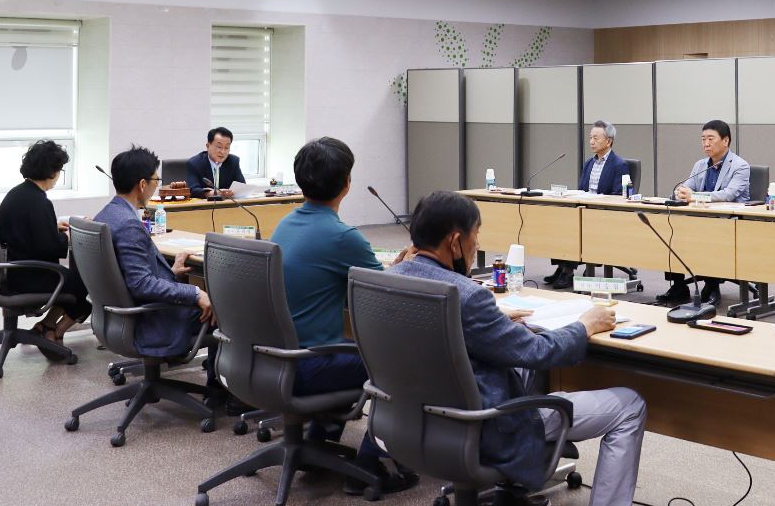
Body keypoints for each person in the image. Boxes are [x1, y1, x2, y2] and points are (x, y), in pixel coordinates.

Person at [390, 191, 646, 506]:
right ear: (455, 242)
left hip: (410, 420)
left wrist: (495, 321)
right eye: (476, 235)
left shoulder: (388, 277)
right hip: (483, 426)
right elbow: (539, 351)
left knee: (523, 367)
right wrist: (585, 325)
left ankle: (515, 484)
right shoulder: (468, 296)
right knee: (630, 405)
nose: (477, 245)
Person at [270, 137, 416, 495]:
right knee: (402, 362)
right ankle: (371, 462)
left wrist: (391, 269)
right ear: (347, 183)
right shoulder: (342, 236)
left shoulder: (285, 224)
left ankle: (318, 443)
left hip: (269, 361)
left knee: (351, 346)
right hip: (306, 366)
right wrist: (409, 266)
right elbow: (387, 294)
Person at [94, 146, 215, 371]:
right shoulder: (129, 225)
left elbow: (126, 274)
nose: (156, 186)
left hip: (115, 320)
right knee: (224, 311)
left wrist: (171, 272)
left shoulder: (106, 214)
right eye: (156, 180)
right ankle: (217, 383)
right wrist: (196, 292)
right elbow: (141, 284)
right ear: (142, 184)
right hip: (151, 323)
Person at [0, 140, 92, 347]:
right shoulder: (40, 202)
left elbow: (19, 229)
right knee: (85, 284)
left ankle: (45, 327)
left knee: (75, 286)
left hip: (10, 271)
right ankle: (51, 329)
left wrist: (51, 227)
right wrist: (69, 235)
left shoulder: (17, 193)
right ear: (52, 172)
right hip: (28, 276)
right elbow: (49, 248)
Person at [655, 119, 750, 309]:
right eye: (703, 139)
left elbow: (729, 194)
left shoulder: (740, 166)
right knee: (671, 229)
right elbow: (686, 188)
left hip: (729, 223)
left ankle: (712, 287)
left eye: (710, 139)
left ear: (725, 140)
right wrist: (681, 192)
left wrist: (695, 196)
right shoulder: (700, 165)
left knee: (707, 233)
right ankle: (679, 286)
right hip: (700, 219)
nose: (706, 143)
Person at [544, 120, 631, 290]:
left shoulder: (619, 165)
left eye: (596, 138)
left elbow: (619, 196)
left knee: (576, 227)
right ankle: (562, 267)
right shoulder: (589, 163)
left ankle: (568, 271)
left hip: (603, 215)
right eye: (591, 137)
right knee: (561, 222)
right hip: (584, 210)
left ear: (609, 141)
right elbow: (581, 190)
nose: (591, 141)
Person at [185, 127, 246, 198]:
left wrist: (229, 193)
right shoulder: (195, 163)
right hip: (205, 204)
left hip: (228, 203)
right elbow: (192, 190)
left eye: (226, 147)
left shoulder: (233, 161)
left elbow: (242, 186)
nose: (223, 152)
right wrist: (211, 193)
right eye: (219, 147)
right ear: (208, 146)